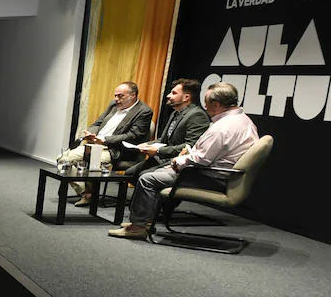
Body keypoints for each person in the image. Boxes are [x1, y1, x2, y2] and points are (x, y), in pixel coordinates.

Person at [110, 82, 259, 240]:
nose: (205, 108)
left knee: (148, 178)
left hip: (210, 177)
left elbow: (201, 159)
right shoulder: (244, 120)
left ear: (216, 104)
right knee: (154, 171)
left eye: (207, 103)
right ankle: (144, 221)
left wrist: (178, 161)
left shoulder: (223, 127)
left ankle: (138, 227)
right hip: (219, 173)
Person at [59, 82, 154, 206]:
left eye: (121, 96)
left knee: (92, 160)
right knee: (63, 159)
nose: (116, 99)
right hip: (95, 144)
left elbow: (133, 136)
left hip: (116, 150)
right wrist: (91, 134)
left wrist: (105, 140)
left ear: (133, 95)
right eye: (115, 95)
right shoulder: (113, 105)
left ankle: (89, 193)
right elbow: (97, 123)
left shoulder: (144, 111)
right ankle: (85, 192)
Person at [122, 77, 211, 179]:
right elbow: (163, 140)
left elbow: (189, 146)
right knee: (129, 173)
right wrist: (147, 145)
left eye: (174, 93)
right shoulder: (175, 113)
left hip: (177, 161)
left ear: (186, 97)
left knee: (143, 176)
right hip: (163, 158)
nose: (168, 96)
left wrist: (158, 151)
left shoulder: (197, 115)